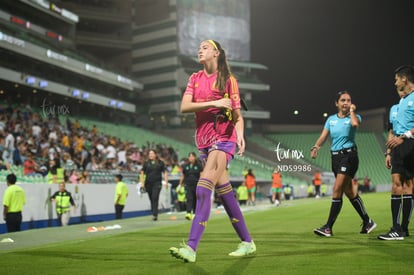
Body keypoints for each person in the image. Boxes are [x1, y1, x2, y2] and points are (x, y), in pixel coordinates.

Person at [169, 39, 255, 263]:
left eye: (205, 47)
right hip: (203, 142)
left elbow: (237, 116)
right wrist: (215, 103)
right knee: (225, 194)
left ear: (216, 53)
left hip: (224, 138)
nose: (200, 49)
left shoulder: (229, 80)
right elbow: (184, 107)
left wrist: (240, 135)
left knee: (202, 187)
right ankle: (248, 242)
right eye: (198, 47)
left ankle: (190, 247)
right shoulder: (195, 78)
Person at [311, 91, 376, 237]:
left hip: (349, 156)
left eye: (348, 100)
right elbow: (323, 136)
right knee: (350, 192)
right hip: (335, 158)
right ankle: (367, 221)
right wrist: (316, 147)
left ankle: (328, 227)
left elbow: (355, 124)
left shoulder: (355, 116)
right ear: (337, 103)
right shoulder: (331, 119)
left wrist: (352, 111)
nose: (346, 102)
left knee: (337, 189)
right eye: (343, 100)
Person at [378, 65, 414, 240]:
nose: (395, 82)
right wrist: (389, 152)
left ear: (404, 79)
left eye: (396, 79)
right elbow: (393, 130)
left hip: (409, 144)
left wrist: (405, 137)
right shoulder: (402, 101)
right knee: (401, 185)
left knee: (405, 186)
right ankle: (401, 229)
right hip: (399, 145)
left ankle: (398, 228)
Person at [140, 149, 168, 221]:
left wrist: (166, 182)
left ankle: (155, 215)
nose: (151, 155)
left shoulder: (160, 163)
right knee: (151, 199)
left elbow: (165, 172)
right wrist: (142, 183)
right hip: (148, 184)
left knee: (155, 197)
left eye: (152, 153)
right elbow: (142, 173)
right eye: (149, 154)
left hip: (157, 183)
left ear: (155, 154)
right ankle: (153, 212)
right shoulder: (146, 163)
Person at [179, 152, 202, 220]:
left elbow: (201, 175)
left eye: (192, 156)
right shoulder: (185, 166)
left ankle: (195, 213)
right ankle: (188, 213)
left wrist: (201, 184)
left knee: (195, 198)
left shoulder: (198, 165)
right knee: (189, 198)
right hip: (188, 184)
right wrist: (180, 185)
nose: (191, 158)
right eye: (190, 156)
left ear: (195, 157)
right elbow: (183, 176)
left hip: (196, 184)